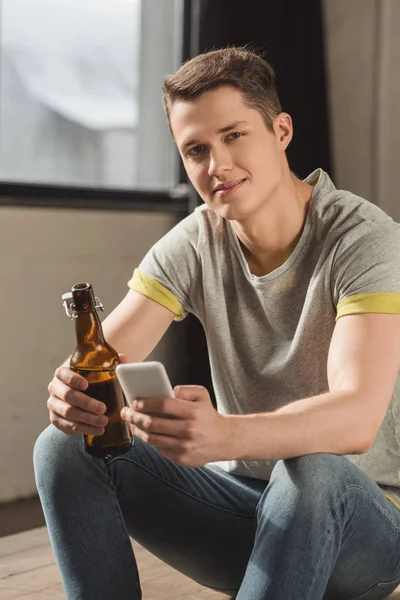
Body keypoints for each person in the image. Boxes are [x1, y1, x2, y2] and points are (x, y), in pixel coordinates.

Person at [34, 46, 400, 600]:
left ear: (280, 131)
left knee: (312, 471)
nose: (216, 166)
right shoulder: (197, 239)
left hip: (361, 529)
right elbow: (109, 356)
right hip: (244, 509)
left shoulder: (364, 239)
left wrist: (224, 434)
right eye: (196, 149)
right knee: (61, 447)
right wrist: (74, 393)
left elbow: (357, 417)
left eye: (234, 136)